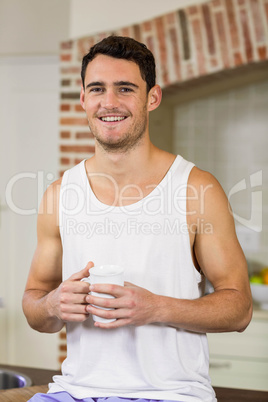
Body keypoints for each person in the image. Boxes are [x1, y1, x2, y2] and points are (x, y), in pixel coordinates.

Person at [23, 36, 252, 402]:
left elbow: (239, 308)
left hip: (172, 394)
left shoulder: (196, 189)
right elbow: (35, 307)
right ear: (83, 99)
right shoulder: (60, 194)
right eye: (97, 88)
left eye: (125, 88)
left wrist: (155, 307)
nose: (109, 102)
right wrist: (52, 305)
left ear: (153, 97)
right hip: (74, 392)